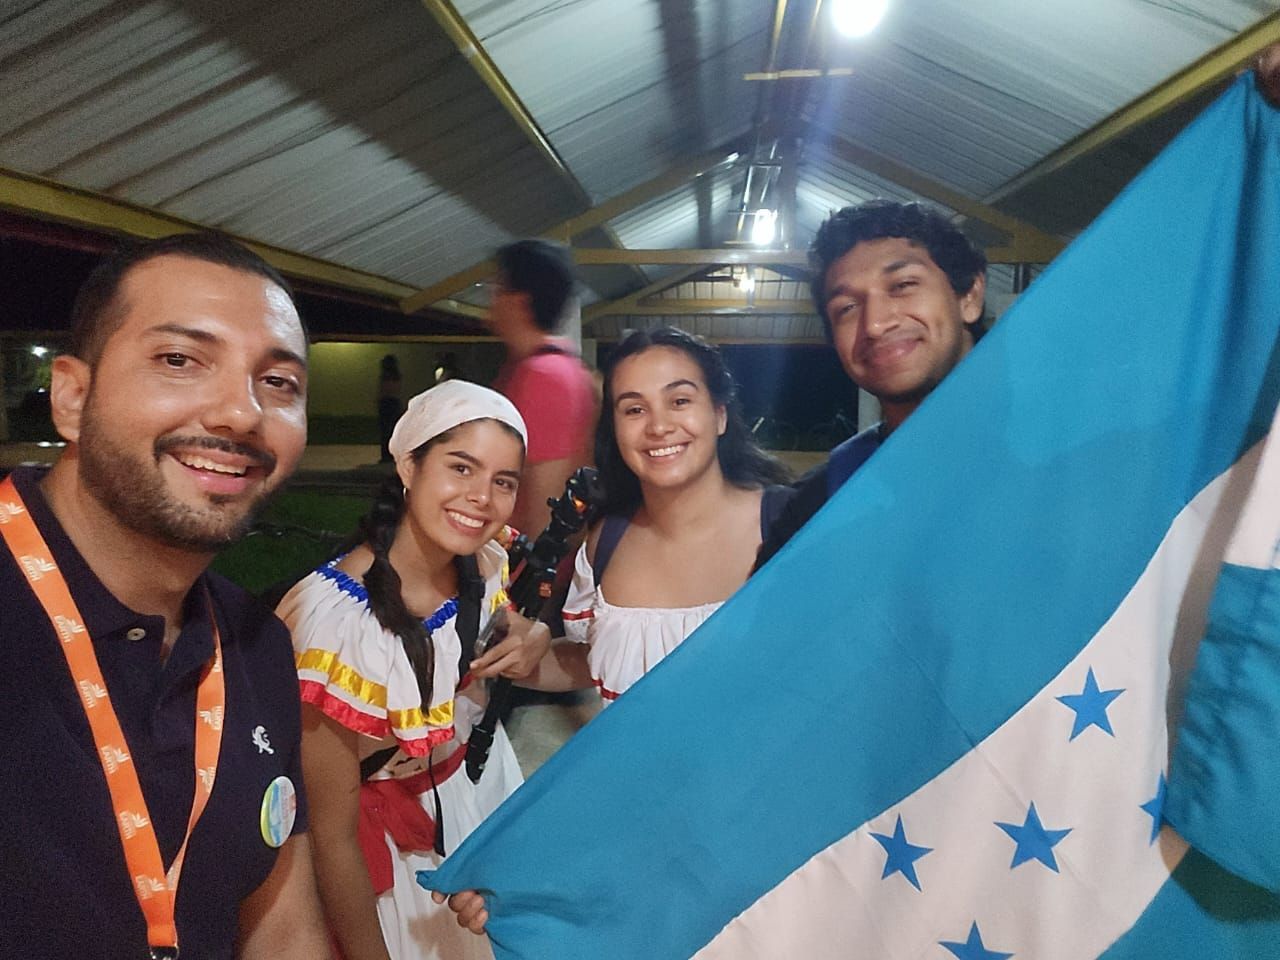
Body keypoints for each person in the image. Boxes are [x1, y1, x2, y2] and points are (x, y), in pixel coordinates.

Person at [0, 232, 329, 959]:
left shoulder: (258, 644)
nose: (241, 414)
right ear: (71, 396)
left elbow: (281, 922)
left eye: (278, 383)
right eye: (180, 361)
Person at [276, 380, 552, 960]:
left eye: (503, 481)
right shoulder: (334, 626)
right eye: (461, 467)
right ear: (408, 465)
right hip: (389, 854)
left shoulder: (481, 560)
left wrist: (531, 634)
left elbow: (490, 633)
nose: (482, 497)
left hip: (478, 793)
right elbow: (332, 832)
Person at [519, 327, 792, 704]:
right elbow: (594, 660)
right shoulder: (605, 543)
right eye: (634, 409)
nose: (659, 427)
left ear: (719, 415)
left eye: (679, 401)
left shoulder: (789, 526)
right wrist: (521, 656)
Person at [755, 199, 987, 567]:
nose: (875, 323)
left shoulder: (1073, 456)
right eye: (847, 308)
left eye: (903, 285)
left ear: (969, 296)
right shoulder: (822, 509)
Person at [487, 239, 597, 536]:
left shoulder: (544, 377)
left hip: (530, 570)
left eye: (498, 288)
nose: (491, 299)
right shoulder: (560, 367)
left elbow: (548, 502)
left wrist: (530, 578)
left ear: (519, 300)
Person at [377, 354, 403, 463]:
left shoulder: (385, 376)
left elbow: (383, 390)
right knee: (392, 431)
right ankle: (392, 455)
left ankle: (386, 456)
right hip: (394, 402)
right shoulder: (397, 376)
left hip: (386, 402)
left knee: (385, 431)